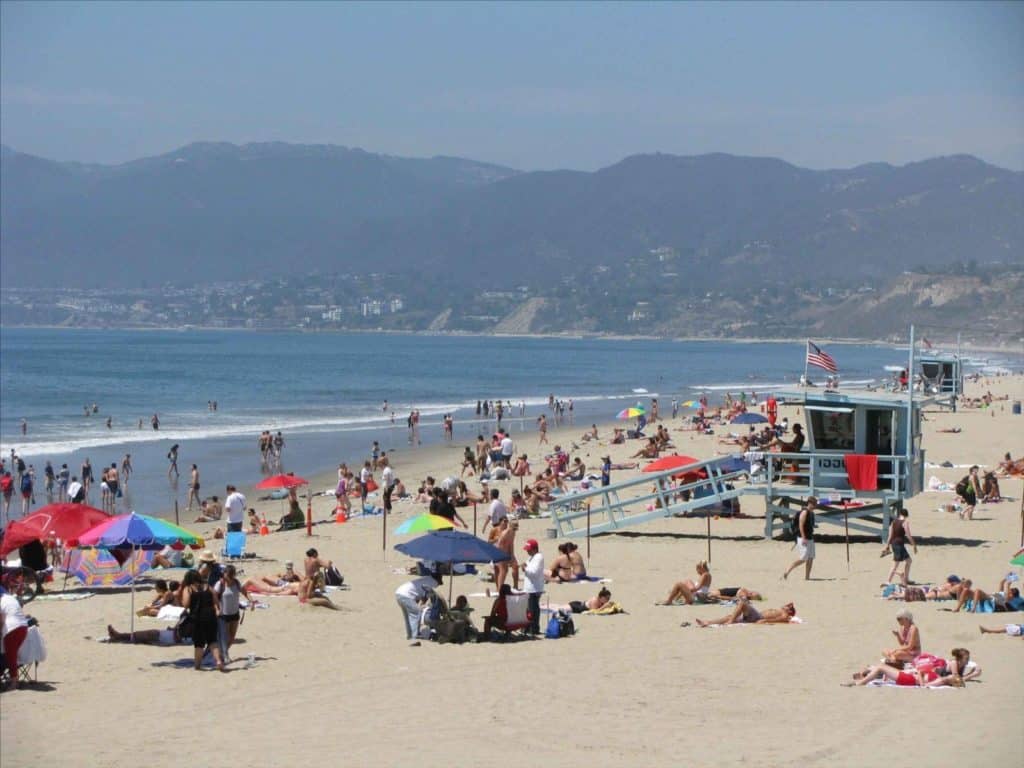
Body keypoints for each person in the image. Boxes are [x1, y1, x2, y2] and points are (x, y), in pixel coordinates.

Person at [850, 648, 979, 687]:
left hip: (911, 678)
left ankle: (861, 681)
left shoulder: (942, 679)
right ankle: (864, 676)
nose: (967, 661)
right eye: (966, 659)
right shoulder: (949, 671)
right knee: (883, 668)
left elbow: (925, 685)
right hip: (914, 676)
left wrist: (921, 680)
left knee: (881, 667)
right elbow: (957, 678)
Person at [180, 569, 224, 672]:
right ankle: (218, 661)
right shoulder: (208, 587)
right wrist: (217, 610)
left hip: (197, 618)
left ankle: (197, 665)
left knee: (199, 643)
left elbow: (186, 604)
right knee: (212, 640)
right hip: (211, 616)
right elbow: (216, 600)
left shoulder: (189, 589)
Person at [213, 564, 250, 662]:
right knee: (224, 637)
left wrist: (252, 601)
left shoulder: (237, 583)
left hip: (235, 613)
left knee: (232, 637)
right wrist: (217, 608)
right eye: (226, 575)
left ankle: (222, 653)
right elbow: (214, 596)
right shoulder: (220, 584)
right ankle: (225, 656)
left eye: (230, 576)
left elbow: (245, 592)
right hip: (224, 614)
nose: (227, 578)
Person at [395, 570, 441, 644]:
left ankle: (410, 635)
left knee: (408, 615)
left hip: (399, 593)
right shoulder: (433, 583)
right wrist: (421, 607)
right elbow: (425, 597)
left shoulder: (426, 579)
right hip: (406, 595)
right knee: (416, 613)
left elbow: (418, 596)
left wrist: (418, 605)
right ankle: (415, 636)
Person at [1, 581, 31, 690]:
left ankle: (14, 682)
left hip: (12, 628)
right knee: (12, 655)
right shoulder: (10, 598)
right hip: (23, 626)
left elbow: (2, 619)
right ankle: (13, 679)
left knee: (11, 656)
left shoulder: (1, 601)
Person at [782, 496, 817, 580]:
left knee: (811, 557)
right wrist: (804, 537)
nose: (815, 506)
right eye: (814, 504)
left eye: (815, 504)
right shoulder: (804, 512)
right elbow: (801, 525)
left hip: (810, 537)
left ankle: (807, 577)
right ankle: (787, 571)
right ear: (809, 503)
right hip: (803, 538)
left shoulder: (812, 513)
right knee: (803, 558)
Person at [695, 599, 796, 627]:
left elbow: (782, 619)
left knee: (742, 603)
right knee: (730, 616)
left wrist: (765, 620)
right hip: (755, 616)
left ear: (790, 611)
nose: (787, 605)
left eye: (789, 606)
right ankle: (707, 622)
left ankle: (730, 622)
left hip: (758, 617)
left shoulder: (785, 614)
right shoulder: (781, 610)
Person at [882, 508, 917, 587]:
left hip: (896, 544)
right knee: (895, 564)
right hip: (898, 545)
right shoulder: (905, 522)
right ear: (906, 515)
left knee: (909, 561)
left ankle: (906, 579)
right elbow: (908, 535)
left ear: (900, 514)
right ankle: (888, 581)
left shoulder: (894, 522)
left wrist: (887, 545)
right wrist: (914, 545)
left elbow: (890, 535)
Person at [521, 539, 545, 635]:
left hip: (534, 588)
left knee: (533, 609)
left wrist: (525, 568)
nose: (527, 551)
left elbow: (534, 572)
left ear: (534, 549)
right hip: (529, 587)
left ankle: (533, 628)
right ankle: (529, 627)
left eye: (529, 549)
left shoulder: (538, 557)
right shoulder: (532, 557)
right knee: (530, 609)